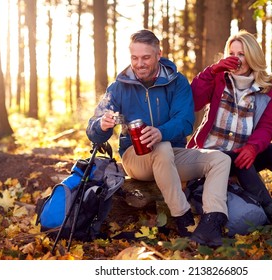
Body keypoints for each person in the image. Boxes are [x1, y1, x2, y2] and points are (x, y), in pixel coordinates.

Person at [86, 29, 232, 246]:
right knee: (161, 148)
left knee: (220, 159)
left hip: (172, 155)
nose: (139, 63)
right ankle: (184, 221)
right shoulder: (119, 87)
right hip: (136, 158)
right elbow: (93, 130)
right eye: (134, 58)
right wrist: (102, 124)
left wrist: (160, 132)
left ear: (158, 54)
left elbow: (185, 122)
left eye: (145, 57)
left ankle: (211, 223)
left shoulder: (177, 82)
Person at [187, 30, 272, 231]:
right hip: (210, 157)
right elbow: (192, 102)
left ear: (252, 56)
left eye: (242, 54)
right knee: (238, 159)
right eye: (232, 53)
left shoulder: (267, 89)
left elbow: (267, 127)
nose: (236, 59)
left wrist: (253, 148)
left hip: (241, 157)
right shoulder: (218, 79)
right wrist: (212, 71)